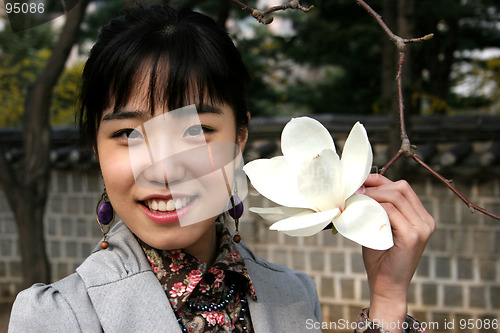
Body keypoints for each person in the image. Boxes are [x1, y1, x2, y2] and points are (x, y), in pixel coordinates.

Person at [8, 4, 435, 333]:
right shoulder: (57, 316)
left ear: (241, 136)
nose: (164, 170)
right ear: (96, 148)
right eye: (129, 134)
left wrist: (388, 298)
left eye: (196, 130)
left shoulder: (293, 297)